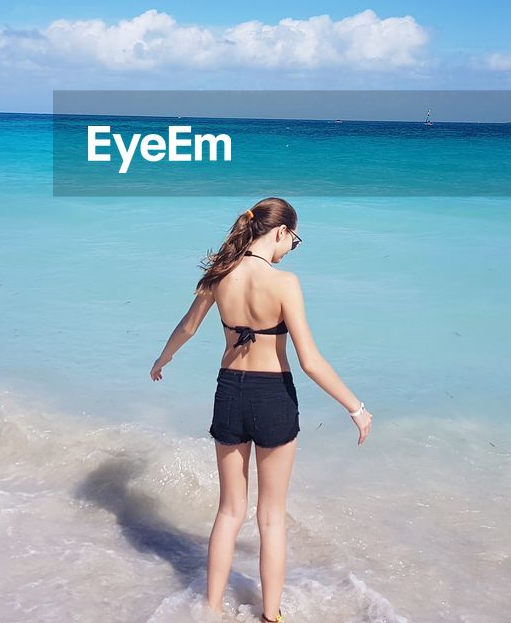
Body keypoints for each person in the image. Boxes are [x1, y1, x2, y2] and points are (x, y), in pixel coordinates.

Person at [150, 197, 372, 622]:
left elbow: (188, 326)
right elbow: (310, 360)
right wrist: (355, 406)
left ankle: (210, 610)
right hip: (272, 396)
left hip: (229, 392)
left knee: (229, 510)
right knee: (271, 517)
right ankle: (271, 616)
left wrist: (164, 359)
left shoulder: (219, 275)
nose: (292, 247)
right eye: (295, 239)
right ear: (280, 232)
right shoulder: (285, 283)